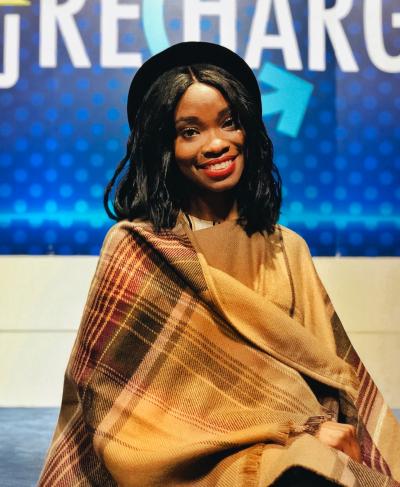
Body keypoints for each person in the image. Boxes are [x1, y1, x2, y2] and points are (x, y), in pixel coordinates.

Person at [38, 42, 400, 486]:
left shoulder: (287, 248)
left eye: (228, 123)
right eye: (189, 131)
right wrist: (297, 428)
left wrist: (311, 430)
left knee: (319, 467)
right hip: (183, 457)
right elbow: (113, 398)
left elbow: (328, 374)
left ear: (247, 130)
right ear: (163, 146)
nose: (216, 144)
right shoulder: (136, 248)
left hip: (292, 446)